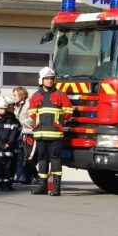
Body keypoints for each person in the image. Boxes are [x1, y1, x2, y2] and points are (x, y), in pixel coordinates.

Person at [28, 66, 73, 196]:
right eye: (46, 79)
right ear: (41, 80)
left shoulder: (61, 95)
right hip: (40, 132)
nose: (49, 81)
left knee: (55, 159)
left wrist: (57, 122)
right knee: (42, 159)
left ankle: (56, 187)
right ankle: (42, 186)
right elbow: (32, 113)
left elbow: (68, 112)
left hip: (55, 133)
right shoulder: (35, 96)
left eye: (51, 79)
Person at [0, 96, 21, 191]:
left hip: (8, 148)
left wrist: (8, 144)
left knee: (8, 167)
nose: (4, 110)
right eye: (2, 108)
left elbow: (13, 133)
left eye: (5, 108)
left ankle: (6, 185)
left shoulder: (10, 119)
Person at [11, 86, 35, 184]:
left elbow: (33, 119)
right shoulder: (15, 105)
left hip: (28, 133)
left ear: (21, 95)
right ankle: (22, 177)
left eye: (15, 95)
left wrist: (20, 122)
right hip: (19, 134)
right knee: (20, 157)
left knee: (27, 157)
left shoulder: (28, 104)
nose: (14, 97)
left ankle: (33, 175)